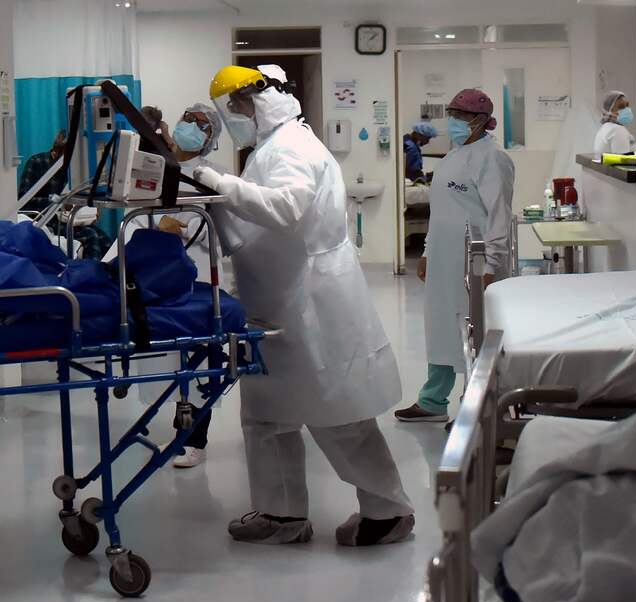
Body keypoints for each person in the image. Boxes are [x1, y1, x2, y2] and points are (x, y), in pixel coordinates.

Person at [194, 64, 414, 546]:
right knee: (267, 412)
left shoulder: (292, 146)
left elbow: (287, 207)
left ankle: (388, 511)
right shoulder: (271, 147)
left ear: (264, 99)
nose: (234, 114)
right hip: (276, 298)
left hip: (309, 301)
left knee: (336, 411)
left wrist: (217, 184)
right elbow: (258, 214)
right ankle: (281, 514)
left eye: (239, 104)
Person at [103, 103, 226, 468]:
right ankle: (167, 412)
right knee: (160, 352)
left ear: (210, 139)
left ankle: (193, 438)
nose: (192, 126)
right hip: (153, 272)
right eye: (189, 118)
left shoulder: (209, 175)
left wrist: (183, 225)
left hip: (194, 273)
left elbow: (219, 230)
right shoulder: (157, 167)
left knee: (196, 359)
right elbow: (136, 215)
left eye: (202, 125)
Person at [395, 89, 515, 423]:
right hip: (445, 258)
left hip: (474, 261)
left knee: (473, 330)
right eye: (451, 114)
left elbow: (498, 216)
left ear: (479, 121)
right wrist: (427, 252)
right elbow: (441, 212)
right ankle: (433, 400)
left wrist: (491, 263)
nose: (453, 122)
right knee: (441, 325)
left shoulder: (493, 158)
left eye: (460, 115)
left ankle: (473, 406)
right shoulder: (452, 156)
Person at [17, 131, 113, 260]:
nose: (69, 165)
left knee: (106, 240)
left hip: (70, 219)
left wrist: (91, 210)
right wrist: (59, 203)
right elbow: (24, 201)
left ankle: (111, 276)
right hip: (46, 219)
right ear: (56, 152)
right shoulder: (37, 162)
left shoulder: (73, 169)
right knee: (91, 237)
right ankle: (90, 277)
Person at [593, 90, 636, 157]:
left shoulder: (607, 127)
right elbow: (624, 160)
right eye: (621, 107)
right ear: (610, 110)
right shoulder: (617, 130)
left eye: (627, 105)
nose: (627, 109)